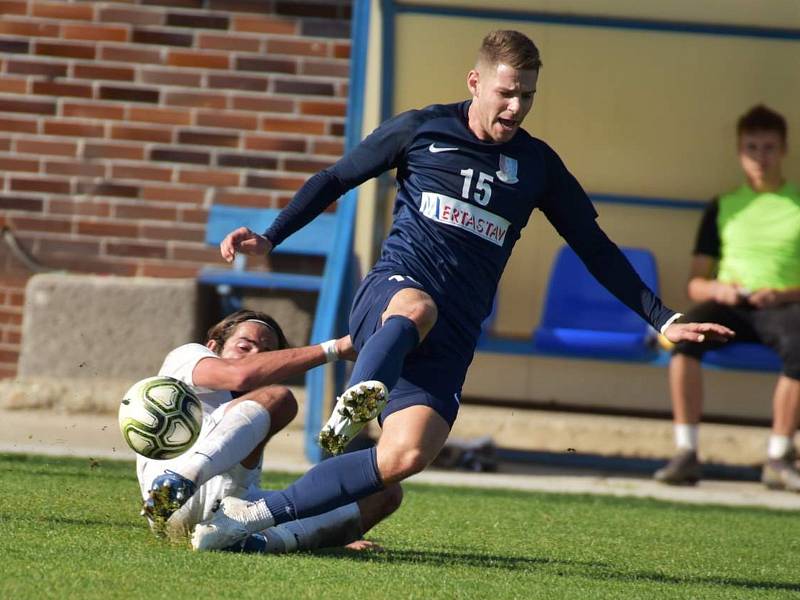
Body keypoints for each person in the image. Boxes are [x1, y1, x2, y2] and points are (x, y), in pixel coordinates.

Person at [152, 30, 733, 551]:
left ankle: (251, 521)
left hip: (453, 332)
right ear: (475, 81)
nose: (515, 106)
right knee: (416, 305)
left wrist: (663, 318)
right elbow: (337, 177)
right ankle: (353, 402)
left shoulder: (537, 166)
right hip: (392, 296)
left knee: (405, 456)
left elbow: (596, 247)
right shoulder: (423, 128)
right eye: (506, 92)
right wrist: (272, 235)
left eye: (527, 95)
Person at [138, 308, 402, 552]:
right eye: (244, 346)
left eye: (267, 354)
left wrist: (322, 534)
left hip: (229, 511)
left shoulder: (254, 408)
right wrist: (337, 348)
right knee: (280, 399)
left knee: (383, 490)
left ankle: (261, 543)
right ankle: (178, 481)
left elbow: (238, 488)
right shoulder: (188, 357)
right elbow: (241, 375)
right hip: (173, 496)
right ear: (213, 347)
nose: (256, 356)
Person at [654, 105, 800, 490]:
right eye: (751, 147)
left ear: (783, 149)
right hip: (729, 307)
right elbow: (695, 284)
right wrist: (719, 289)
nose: (760, 157)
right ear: (739, 151)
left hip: (783, 307)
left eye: (768, 148)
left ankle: (779, 457)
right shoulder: (722, 206)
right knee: (682, 336)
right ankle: (686, 452)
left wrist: (781, 293)